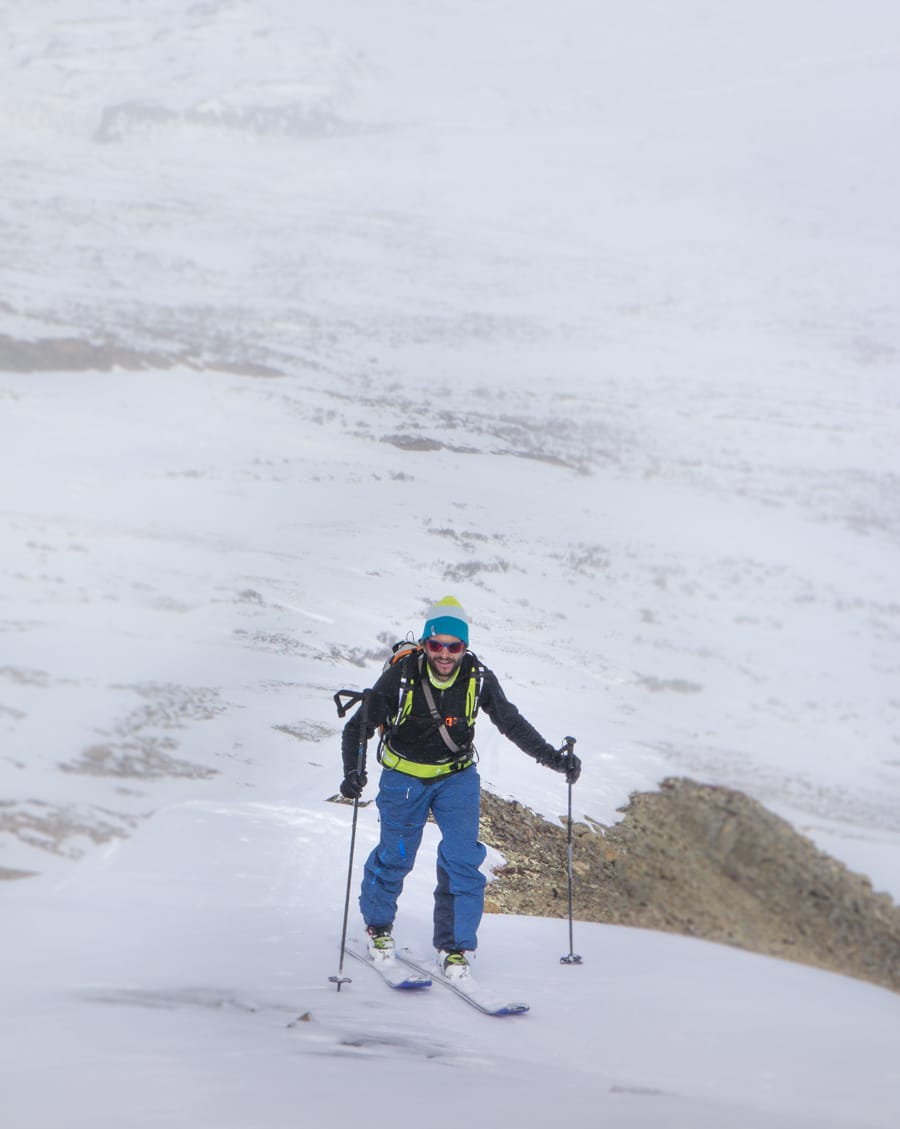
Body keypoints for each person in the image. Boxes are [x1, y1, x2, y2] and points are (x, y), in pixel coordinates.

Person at [339, 595, 581, 980]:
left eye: (454, 646)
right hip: (403, 778)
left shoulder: (477, 677)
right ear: (425, 644)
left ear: (465, 646)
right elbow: (358, 726)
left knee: (463, 860)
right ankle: (378, 928)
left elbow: (511, 723)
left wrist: (554, 759)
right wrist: (352, 772)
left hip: (456, 777)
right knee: (396, 855)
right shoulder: (402, 677)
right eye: (436, 645)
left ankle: (454, 949)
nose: (445, 654)